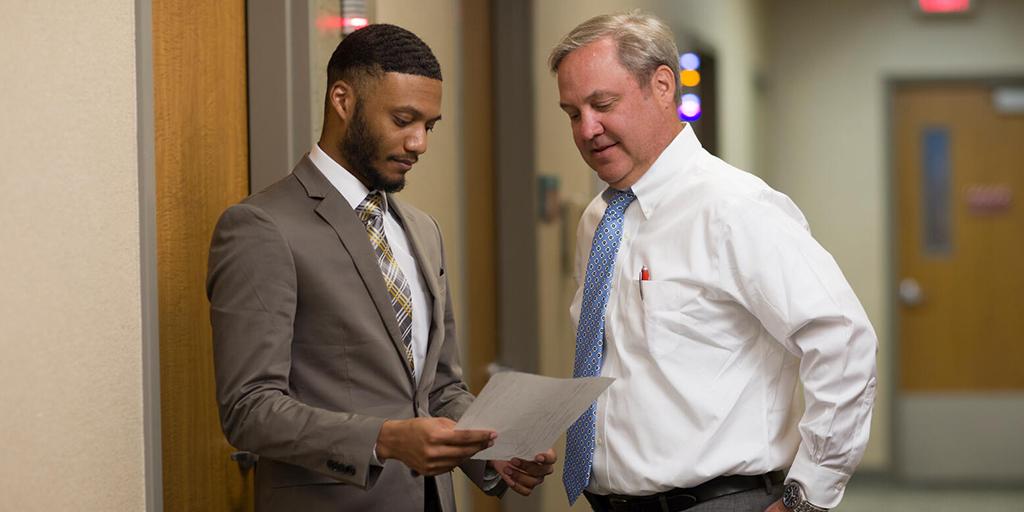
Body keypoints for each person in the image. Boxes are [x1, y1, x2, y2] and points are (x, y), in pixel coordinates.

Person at [207, 24, 554, 511]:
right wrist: (384, 440)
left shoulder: (423, 230)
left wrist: (494, 450)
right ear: (343, 100)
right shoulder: (261, 227)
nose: (419, 143)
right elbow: (249, 409)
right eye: (403, 120)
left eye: (429, 126)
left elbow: (439, 389)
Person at [550, 12, 877, 512]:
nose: (587, 129)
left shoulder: (733, 208)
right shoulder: (599, 219)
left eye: (603, 104)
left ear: (662, 86)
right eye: (573, 113)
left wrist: (808, 496)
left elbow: (843, 340)